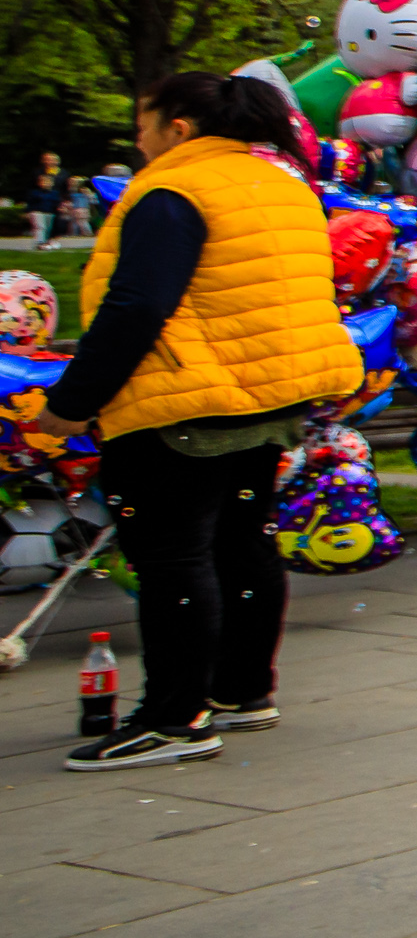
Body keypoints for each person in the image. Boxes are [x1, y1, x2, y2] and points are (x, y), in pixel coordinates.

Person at [36, 73, 368, 769]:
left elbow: (134, 307)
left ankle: (173, 717)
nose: (139, 141)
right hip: (271, 397)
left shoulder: (172, 193)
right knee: (242, 541)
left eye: (144, 126)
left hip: (187, 403)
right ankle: (243, 690)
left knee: (173, 557)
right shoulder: (281, 184)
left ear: (179, 127)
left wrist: (69, 404)